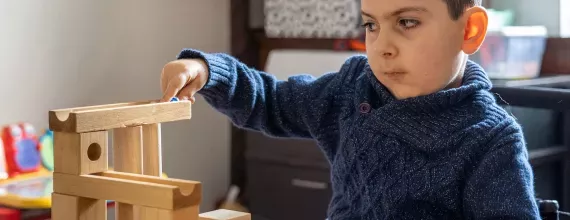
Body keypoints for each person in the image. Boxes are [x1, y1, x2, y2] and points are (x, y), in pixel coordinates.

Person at [159, 0, 540, 219]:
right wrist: (211, 72)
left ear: (469, 31)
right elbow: (274, 102)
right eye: (372, 25)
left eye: (407, 22)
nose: (382, 46)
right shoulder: (353, 87)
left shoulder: (490, 140)